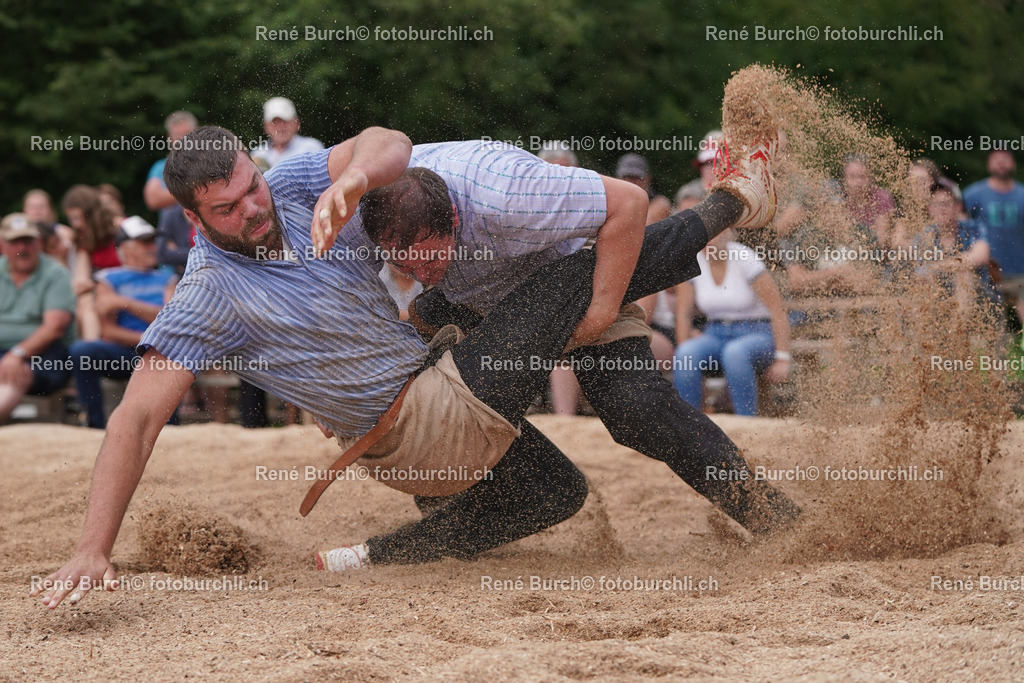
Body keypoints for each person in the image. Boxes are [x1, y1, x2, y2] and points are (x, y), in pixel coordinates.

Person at [34, 101, 790, 606]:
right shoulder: (206, 294)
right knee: (572, 274)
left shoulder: (295, 184)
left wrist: (357, 175)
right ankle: (734, 200)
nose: (252, 210)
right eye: (226, 209)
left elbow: (384, 142)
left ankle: (379, 552)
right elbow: (133, 420)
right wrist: (92, 547)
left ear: (254, 164)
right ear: (194, 220)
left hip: (440, 387)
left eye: (249, 188)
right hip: (422, 417)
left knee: (557, 490)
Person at [70, 217, 178, 428]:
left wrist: (123, 302)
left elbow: (171, 322)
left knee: (170, 356)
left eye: (152, 241)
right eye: (145, 242)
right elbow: (109, 332)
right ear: (126, 248)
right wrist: (149, 338)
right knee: (82, 351)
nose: (152, 247)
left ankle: (169, 428)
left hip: (161, 353)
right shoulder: (107, 278)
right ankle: (93, 426)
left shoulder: (168, 278)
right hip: (127, 353)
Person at [673, 229, 792, 416]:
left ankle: (746, 423)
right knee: (685, 354)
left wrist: (783, 358)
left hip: (756, 331)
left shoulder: (744, 257)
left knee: (735, 353)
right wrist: (686, 354)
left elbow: (778, 308)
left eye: (713, 234)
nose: (709, 241)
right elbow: (683, 314)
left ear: (726, 232)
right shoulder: (692, 261)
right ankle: (689, 425)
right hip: (715, 333)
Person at [0, 214, 75, 422]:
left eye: (28, 241)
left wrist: (17, 353)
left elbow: (55, 328)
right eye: (15, 242)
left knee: (17, 372)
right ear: (2, 245)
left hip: (46, 355)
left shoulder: (55, 273)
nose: (22, 248)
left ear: (39, 242)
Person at [963, 150, 1024, 327]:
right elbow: (961, 227)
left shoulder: (1022, 195)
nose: (1001, 163)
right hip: (986, 275)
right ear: (989, 164)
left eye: (1005, 159)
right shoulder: (973, 195)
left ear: (1013, 164)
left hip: (1020, 273)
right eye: (996, 159)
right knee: (990, 330)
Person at [61, 185, 120, 341]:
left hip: (127, 285)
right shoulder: (84, 238)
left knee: (87, 303)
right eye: (71, 218)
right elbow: (81, 280)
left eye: (77, 217)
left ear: (91, 214)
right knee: (84, 302)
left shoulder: (121, 229)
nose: (75, 224)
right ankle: (89, 350)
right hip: (102, 289)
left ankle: (89, 351)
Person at [251, 96, 324, 168]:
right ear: (266, 126)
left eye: (285, 121)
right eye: (274, 122)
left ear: (296, 123)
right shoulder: (257, 154)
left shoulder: (312, 148)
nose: (280, 127)